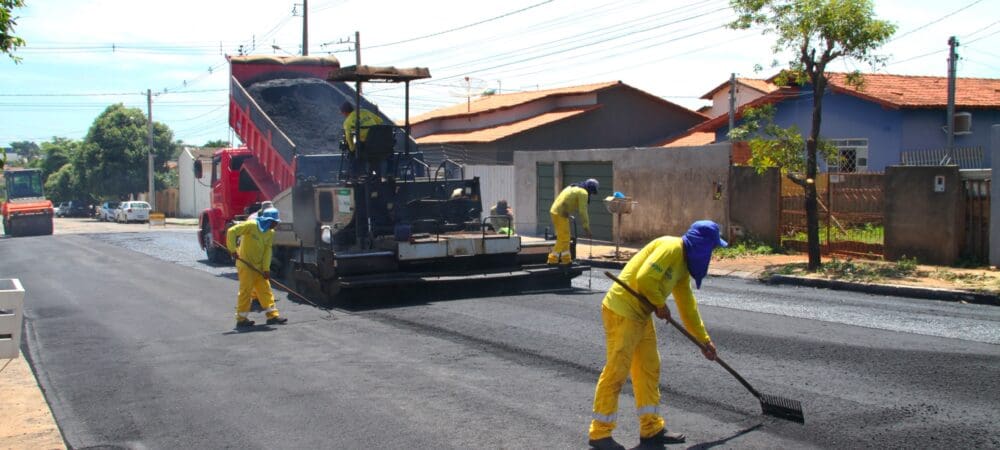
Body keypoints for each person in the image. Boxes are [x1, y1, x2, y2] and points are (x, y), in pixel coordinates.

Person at [587, 220, 727, 450]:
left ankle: (651, 429)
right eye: (711, 248)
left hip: (640, 314)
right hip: (622, 310)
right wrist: (660, 304)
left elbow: (687, 306)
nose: (711, 253)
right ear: (702, 244)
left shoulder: (682, 266)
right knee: (617, 370)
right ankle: (600, 433)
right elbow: (644, 279)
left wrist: (704, 341)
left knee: (649, 367)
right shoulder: (671, 247)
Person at [226, 207, 288, 328]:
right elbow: (231, 231)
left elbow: (267, 251)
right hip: (246, 265)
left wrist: (266, 269)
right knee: (246, 291)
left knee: (265, 290)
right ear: (268, 220)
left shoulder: (270, 233)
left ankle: (272, 316)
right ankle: (241, 319)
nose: (276, 225)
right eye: (275, 222)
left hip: (259, 267)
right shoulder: (251, 225)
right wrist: (232, 250)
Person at [548, 179, 599, 265]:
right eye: (592, 192)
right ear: (590, 189)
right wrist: (586, 227)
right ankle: (552, 260)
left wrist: (565, 210)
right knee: (563, 238)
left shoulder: (573, 186)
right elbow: (583, 211)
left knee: (566, 237)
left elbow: (564, 198)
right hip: (560, 213)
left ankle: (566, 259)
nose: (591, 194)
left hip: (556, 211)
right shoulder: (583, 193)